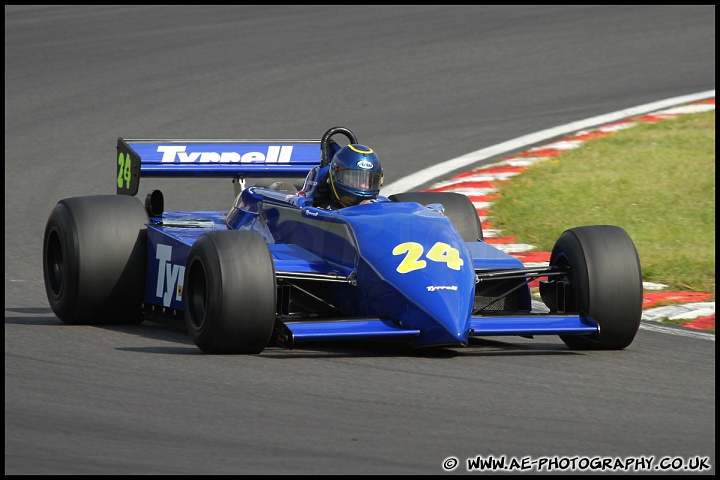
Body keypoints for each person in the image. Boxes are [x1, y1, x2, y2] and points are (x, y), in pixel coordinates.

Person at [301, 144, 383, 209]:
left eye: (368, 181)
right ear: (335, 176)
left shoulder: (382, 205)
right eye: (355, 179)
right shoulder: (320, 210)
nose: (363, 186)